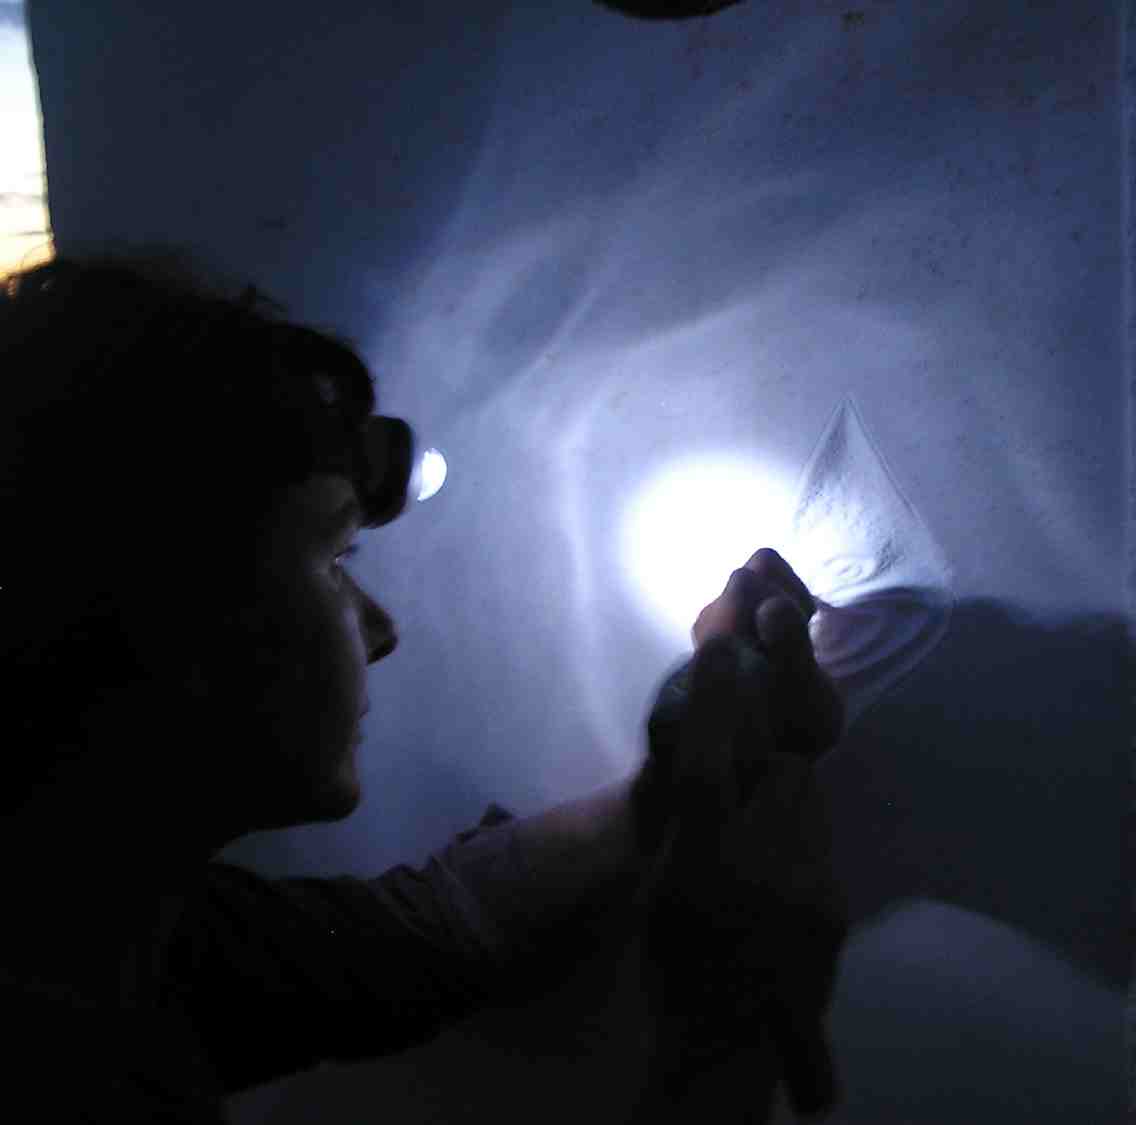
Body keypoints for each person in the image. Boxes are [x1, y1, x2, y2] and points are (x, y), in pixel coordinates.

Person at [0, 254, 849, 1123]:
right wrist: (722, 1034)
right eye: (335, 557)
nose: (382, 629)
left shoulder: (101, 920)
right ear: (161, 600)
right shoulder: (50, 1065)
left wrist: (666, 785)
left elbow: (428, 930)